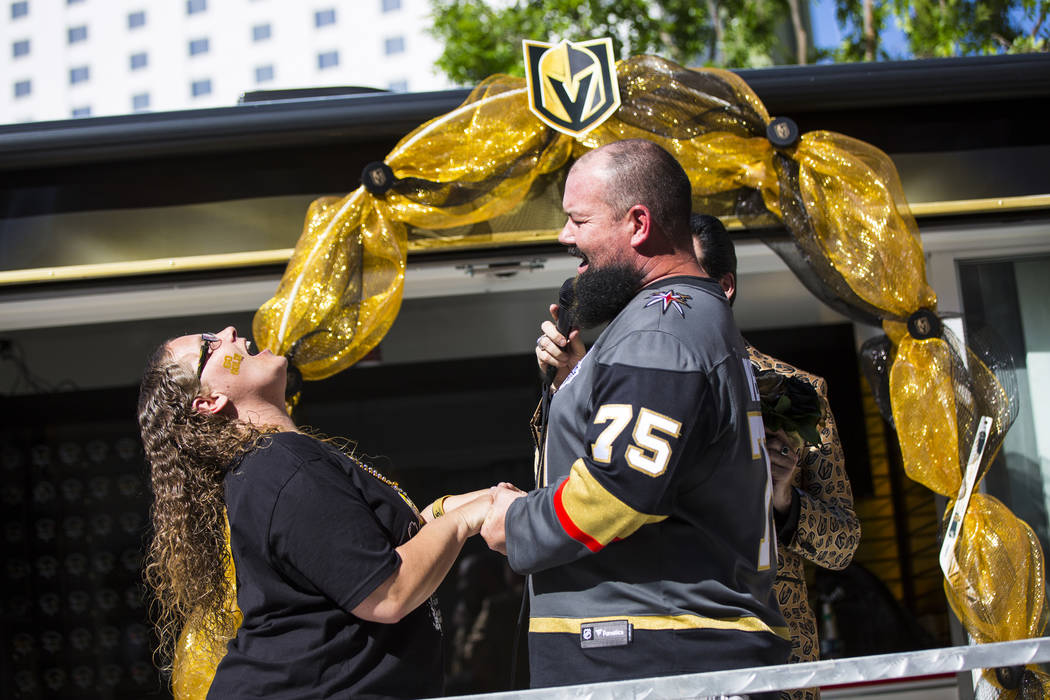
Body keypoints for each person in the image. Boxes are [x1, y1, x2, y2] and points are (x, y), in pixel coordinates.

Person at [481, 139, 791, 689]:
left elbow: (617, 492)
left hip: (647, 655)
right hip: (667, 648)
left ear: (638, 223)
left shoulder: (659, 328)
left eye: (578, 219)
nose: (565, 236)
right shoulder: (688, 315)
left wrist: (511, 520)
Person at [137, 325, 499, 699]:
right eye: (209, 346)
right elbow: (388, 593)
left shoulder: (274, 464)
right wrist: (464, 520)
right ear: (209, 402)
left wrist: (456, 508)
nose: (228, 332)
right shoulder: (279, 467)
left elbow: (376, 552)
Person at [691, 214, 861, 700]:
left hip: (776, 652)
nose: (669, 300)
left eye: (688, 282)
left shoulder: (798, 391)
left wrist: (786, 500)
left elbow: (843, 544)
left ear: (724, 287)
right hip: (672, 646)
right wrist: (562, 388)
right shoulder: (636, 385)